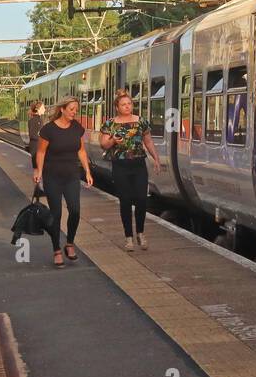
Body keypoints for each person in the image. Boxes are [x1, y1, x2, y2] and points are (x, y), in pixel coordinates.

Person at [34, 96, 93, 267]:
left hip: (72, 176)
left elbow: (81, 151)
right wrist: (38, 170)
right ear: (62, 109)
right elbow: (41, 152)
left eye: (76, 109)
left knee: (75, 210)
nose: (75, 112)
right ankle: (56, 250)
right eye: (72, 109)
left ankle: (69, 243)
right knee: (56, 214)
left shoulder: (77, 128)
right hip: (52, 177)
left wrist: (87, 171)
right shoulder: (48, 130)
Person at [100, 88, 162, 252]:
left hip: (138, 165)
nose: (127, 107)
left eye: (129, 104)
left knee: (142, 199)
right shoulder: (110, 124)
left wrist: (156, 158)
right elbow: (103, 144)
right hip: (120, 166)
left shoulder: (141, 121)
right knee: (125, 201)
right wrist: (113, 140)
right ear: (117, 107)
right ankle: (128, 237)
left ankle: (140, 233)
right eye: (123, 104)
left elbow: (148, 142)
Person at [27, 101, 47, 199]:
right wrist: (42, 137)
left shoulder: (38, 119)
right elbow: (32, 135)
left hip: (37, 146)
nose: (45, 109)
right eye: (43, 107)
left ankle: (37, 189)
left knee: (38, 168)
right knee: (37, 168)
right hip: (36, 146)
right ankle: (37, 189)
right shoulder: (35, 120)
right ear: (38, 109)